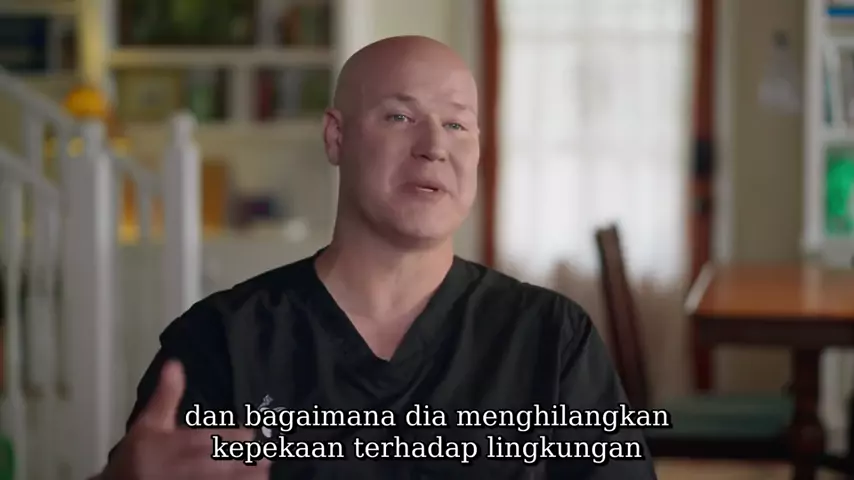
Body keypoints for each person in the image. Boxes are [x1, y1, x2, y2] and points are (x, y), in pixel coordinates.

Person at [98, 36, 658, 480]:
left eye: (456, 124)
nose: (434, 146)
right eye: (399, 117)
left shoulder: (551, 338)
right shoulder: (223, 341)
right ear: (336, 137)